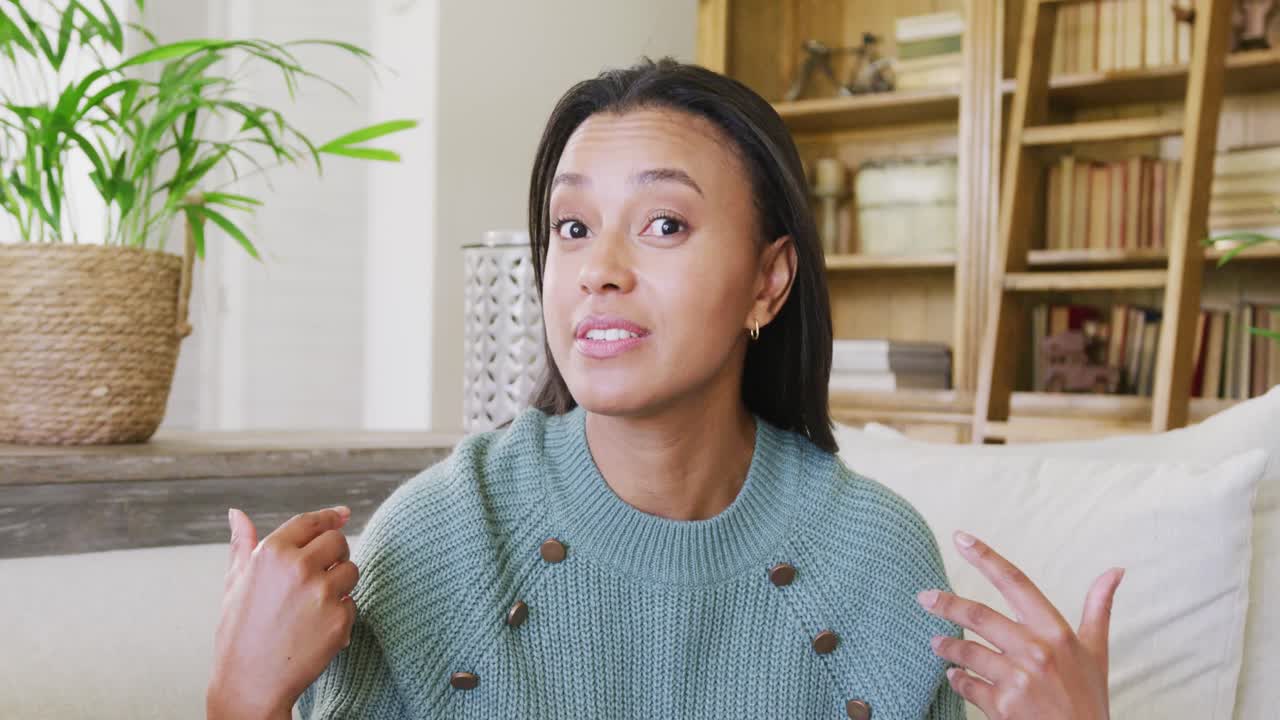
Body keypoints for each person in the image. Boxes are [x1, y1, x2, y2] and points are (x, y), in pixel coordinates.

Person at [207, 58, 1123, 720]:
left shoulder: (877, 562)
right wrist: (242, 701)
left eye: (664, 224)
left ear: (768, 281)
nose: (598, 268)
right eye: (573, 227)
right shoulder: (445, 537)